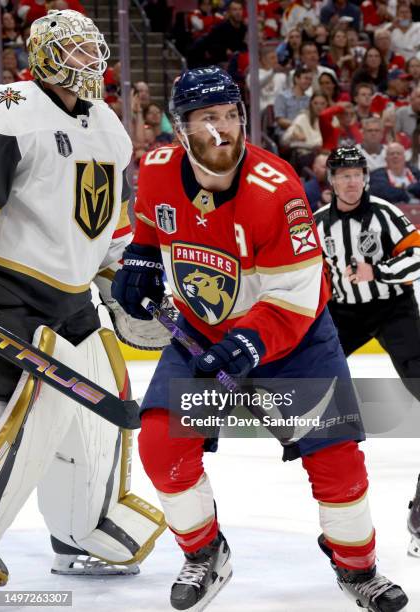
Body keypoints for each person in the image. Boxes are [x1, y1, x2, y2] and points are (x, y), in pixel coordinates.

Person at [112, 66, 408, 612]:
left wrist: (248, 345)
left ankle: (357, 568)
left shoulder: (280, 192)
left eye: (230, 116)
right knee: (160, 446)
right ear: (180, 129)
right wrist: (143, 254)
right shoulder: (154, 169)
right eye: (207, 119)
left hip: (293, 344)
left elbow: (295, 298)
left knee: (338, 466)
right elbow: (155, 221)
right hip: (201, 336)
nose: (222, 131)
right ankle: (204, 554)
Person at [0, 9, 165, 585]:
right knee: (18, 418)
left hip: (74, 303)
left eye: (92, 51)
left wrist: (126, 282)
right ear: (41, 57)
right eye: (73, 52)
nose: (88, 63)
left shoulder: (108, 125)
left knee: (96, 417)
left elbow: (109, 224)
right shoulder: (10, 112)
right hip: (9, 299)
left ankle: (78, 529)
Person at [314, 146, 420, 558]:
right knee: (310, 384)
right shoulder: (319, 224)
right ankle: (336, 507)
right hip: (345, 314)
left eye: (358, 173)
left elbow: (415, 258)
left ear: (366, 176)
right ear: (332, 181)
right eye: (343, 175)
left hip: (394, 310)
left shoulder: (388, 214)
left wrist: (377, 272)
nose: (352, 181)